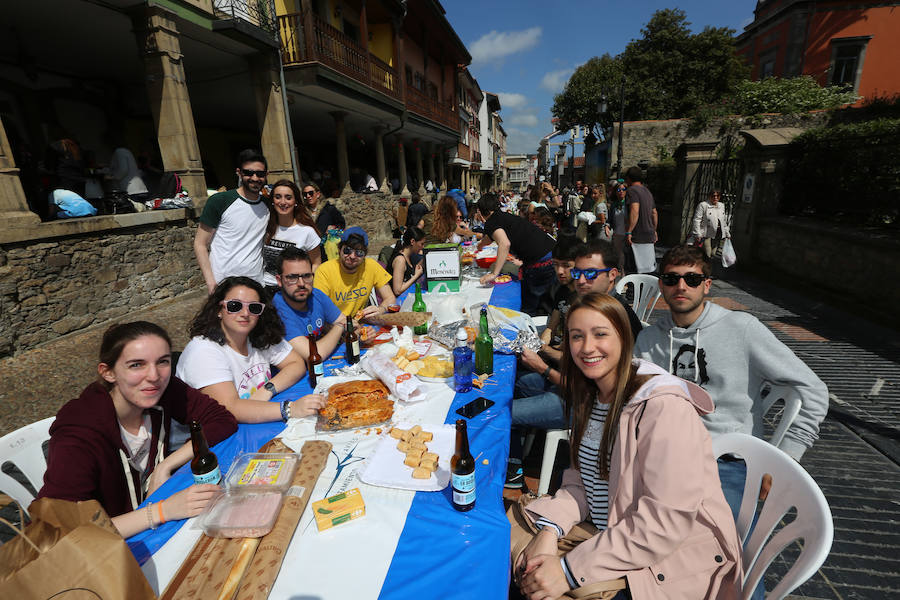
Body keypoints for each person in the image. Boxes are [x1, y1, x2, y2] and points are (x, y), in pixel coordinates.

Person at [511, 293, 742, 600]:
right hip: (609, 538)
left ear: (624, 337)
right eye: (577, 336)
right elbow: (579, 484)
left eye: (600, 334)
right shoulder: (591, 395)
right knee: (512, 558)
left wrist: (566, 571)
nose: (587, 347)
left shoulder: (663, 408)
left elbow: (663, 523)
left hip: (665, 563)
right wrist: (549, 532)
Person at [634, 245, 829, 518]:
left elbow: (813, 389)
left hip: (728, 462)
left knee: (716, 547)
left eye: (692, 279)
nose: (681, 286)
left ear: (707, 285)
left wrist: (785, 458)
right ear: (661, 286)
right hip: (661, 458)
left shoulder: (741, 328)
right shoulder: (648, 340)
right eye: (671, 279)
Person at [38, 322, 237, 538]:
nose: (153, 375)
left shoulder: (164, 389)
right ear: (108, 372)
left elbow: (221, 420)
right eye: (136, 365)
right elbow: (59, 529)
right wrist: (162, 510)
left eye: (163, 362)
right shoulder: (80, 433)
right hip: (111, 550)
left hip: (155, 530)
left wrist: (165, 466)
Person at [177, 276, 324, 423]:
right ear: (219, 310)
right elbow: (229, 408)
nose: (245, 313)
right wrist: (290, 409)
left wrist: (267, 390)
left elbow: (296, 363)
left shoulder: (258, 335)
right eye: (235, 306)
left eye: (254, 307)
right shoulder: (203, 351)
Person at [506, 237, 579, 489]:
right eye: (557, 264)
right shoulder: (564, 291)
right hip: (558, 380)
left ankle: (514, 466)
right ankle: (515, 460)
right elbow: (552, 324)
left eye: (567, 266)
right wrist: (543, 340)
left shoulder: (590, 309)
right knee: (509, 384)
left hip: (576, 404)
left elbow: (579, 386)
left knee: (503, 412)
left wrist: (542, 362)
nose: (560, 272)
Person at [194, 149, 270, 293]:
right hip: (224, 284)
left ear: (266, 175)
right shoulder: (219, 201)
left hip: (256, 284)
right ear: (239, 173)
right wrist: (211, 283)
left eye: (260, 174)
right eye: (248, 173)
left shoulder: (268, 206)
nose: (254, 178)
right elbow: (200, 243)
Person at [476, 193, 556, 316]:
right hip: (551, 252)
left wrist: (494, 273)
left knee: (530, 307)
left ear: (480, 212)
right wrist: (480, 246)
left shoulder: (491, 222)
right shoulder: (501, 216)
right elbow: (492, 236)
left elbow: (504, 243)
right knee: (546, 302)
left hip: (540, 261)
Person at [273, 247, 347, 360]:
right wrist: (340, 326)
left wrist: (362, 334)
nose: (301, 283)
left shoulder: (316, 294)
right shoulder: (277, 310)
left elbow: (348, 323)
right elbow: (315, 355)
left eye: (307, 276)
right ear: (279, 281)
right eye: (292, 277)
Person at [314, 226, 396, 318]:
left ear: (365, 254)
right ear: (339, 249)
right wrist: (344, 324)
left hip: (360, 323)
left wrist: (382, 309)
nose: (352, 256)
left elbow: (390, 298)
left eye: (359, 253)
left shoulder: (371, 266)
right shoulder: (324, 271)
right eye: (347, 250)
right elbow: (319, 309)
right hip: (333, 325)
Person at [571, 239, 642, 339]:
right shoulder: (587, 306)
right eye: (577, 273)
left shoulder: (617, 317)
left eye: (591, 273)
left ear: (612, 274)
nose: (581, 280)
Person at [262, 179, 321, 292]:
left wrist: (308, 287)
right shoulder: (265, 228)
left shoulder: (307, 232)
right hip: (266, 289)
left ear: (295, 201)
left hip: (294, 290)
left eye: (288, 197)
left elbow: (316, 264)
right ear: (273, 200)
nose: (283, 202)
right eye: (278, 197)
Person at [623, 166, 658, 274]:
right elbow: (654, 213)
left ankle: (634, 290)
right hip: (648, 235)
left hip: (637, 235)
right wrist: (654, 230)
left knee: (633, 270)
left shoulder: (632, 191)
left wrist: (629, 231)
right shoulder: (647, 192)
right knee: (647, 270)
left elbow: (634, 210)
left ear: (628, 178)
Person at [386, 227, 425, 296]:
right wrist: (416, 276)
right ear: (412, 241)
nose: (423, 247)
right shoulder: (400, 260)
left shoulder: (409, 257)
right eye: (421, 244)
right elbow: (397, 290)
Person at [692, 190, 730, 258]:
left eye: (717, 196)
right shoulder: (703, 205)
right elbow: (697, 220)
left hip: (718, 233)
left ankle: (708, 266)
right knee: (707, 253)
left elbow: (723, 221)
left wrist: (727, 233)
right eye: (713, 196)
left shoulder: (721, 205)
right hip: (706, 234)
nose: (715, 198)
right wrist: (697, 233)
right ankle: (706, 266)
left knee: (713, 253)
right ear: (709, 196)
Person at [607, 181, 628, 274]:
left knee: (627, 255)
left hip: (628, 233)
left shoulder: (629, 204)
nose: (621, 192)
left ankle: (626, 273)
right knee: (619, 255)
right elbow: (610, 219)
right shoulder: (613, 205)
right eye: (619, 190)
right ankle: (621, 273)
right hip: (617, 233)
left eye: (623, 189)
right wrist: (607, 226)